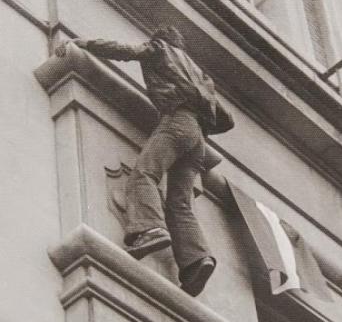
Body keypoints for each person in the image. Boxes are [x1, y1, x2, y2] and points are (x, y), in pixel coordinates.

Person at [56, 26, 233, 297]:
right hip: (198, 138)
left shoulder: (159, 49)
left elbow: (126, 51)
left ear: (160, 39)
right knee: (181, 202)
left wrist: (84, 42)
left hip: (177, 121)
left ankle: (150, 229)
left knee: (144, 174)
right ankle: (197, 259)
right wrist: (201, 120)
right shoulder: (201, 76)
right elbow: (227, 120)